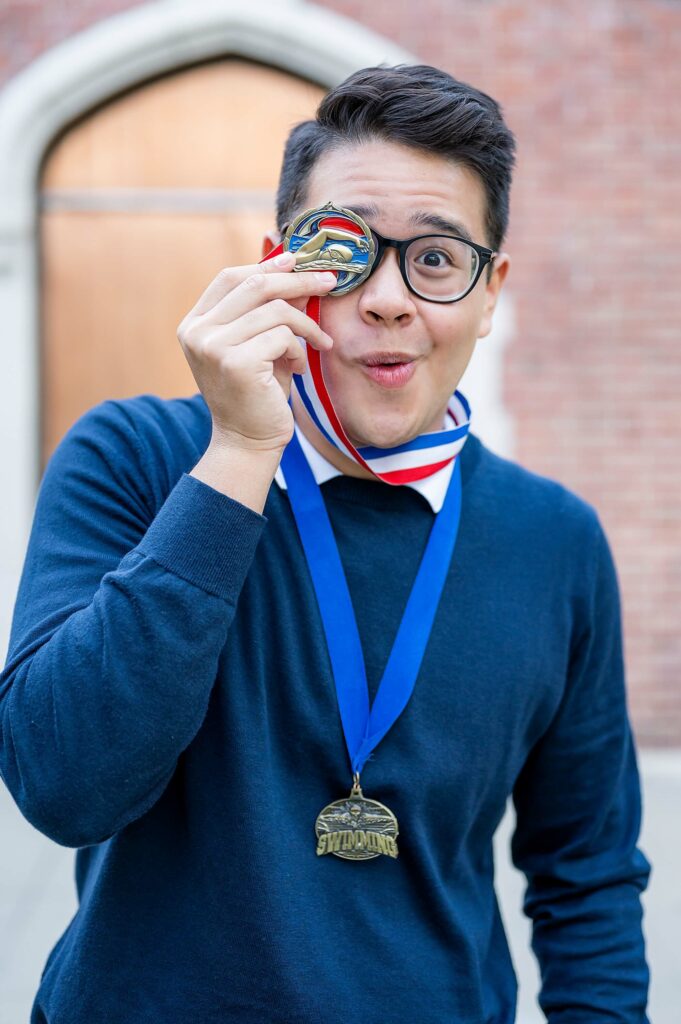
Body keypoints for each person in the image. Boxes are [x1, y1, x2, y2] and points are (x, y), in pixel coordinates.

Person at [0, 64, 651, 1023]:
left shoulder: (554, 541)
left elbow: (587, 876)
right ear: (278, 266)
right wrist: (239, 453)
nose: (387, 299)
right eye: (343, 249)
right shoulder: (134, 456)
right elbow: (64, 786)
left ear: (489, 293)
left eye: (435, 258)